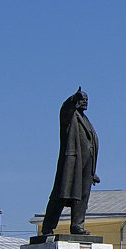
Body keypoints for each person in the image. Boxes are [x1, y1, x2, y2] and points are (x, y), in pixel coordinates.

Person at [40, 88, 100, 236]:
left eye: (87, 99)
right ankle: (48, 226)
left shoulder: (86, 119)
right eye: (82, 98)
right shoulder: (69, 116)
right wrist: (73, 98)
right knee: (61, 195)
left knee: (82, 197)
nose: (85, 101)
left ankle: (77, 226)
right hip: (72, 164)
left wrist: (92, 171)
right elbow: (65, 107)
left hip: (86, 167)